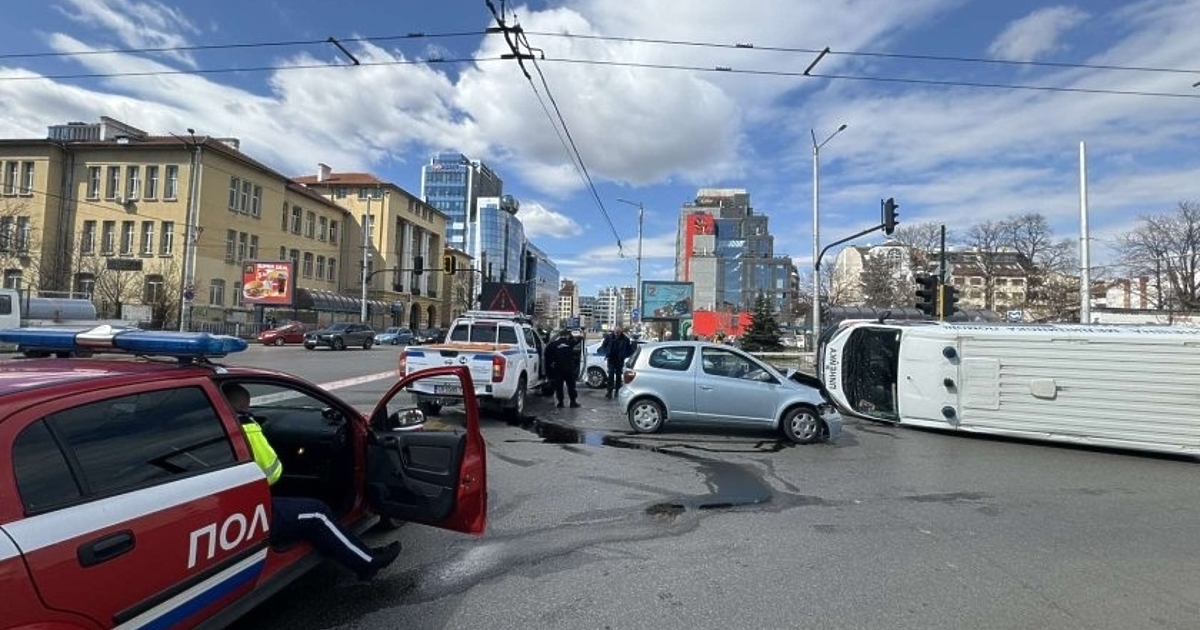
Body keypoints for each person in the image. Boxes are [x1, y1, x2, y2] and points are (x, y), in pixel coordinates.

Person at [222, 383, 401, 581]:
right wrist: (251, 428)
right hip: (245, 511)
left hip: (226, 508)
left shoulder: (210, 425)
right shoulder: (243, 429)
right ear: (244, 407)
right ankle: (367, 563)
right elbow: (272, 474)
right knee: (317, 513)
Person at [544, 329, 582, 408]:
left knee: (559, 387)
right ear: (567, 336)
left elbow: (547, 354)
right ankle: (573, 402)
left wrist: (551, 365)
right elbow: (579, 339)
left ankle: (560, 403)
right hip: (569, 369)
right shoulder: (570, 343)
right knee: (571, 386)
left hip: (558, 368)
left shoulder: (553, 344)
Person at [600, 326, 635, 399]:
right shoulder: (609, 337)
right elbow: (603, 346)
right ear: (613, 331)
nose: (616, 334)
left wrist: (624, 355)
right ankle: (609, 392)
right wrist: (607, 353)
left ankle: (617, 392)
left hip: (620, 360)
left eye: (618, 333)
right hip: (611, 359)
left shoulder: (625, 339)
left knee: (618, 376)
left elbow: (629, 350)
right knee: (610, 376)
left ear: (620, 332)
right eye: (615, 332)